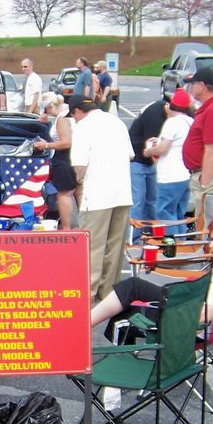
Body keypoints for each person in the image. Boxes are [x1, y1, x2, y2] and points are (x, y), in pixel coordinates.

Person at [90, 213, 213, 330]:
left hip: (183, 317)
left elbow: (205, 316)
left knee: (132, 290)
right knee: (133, 289)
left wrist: (180, 305)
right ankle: (85, 326)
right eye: (210, 239)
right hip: (188, 303)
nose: (211, 245)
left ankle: (82, 328)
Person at [71, 98, 134, 301]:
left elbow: (80, 165)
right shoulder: (117, 122)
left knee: (92, 246)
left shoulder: (83, 127)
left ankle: (88, 294)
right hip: (122, 192)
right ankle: (109, 293)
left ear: (78, 111)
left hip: (97, 194)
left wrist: (80, 179)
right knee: (115, 247)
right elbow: (130, 155)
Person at [182, 67, 213, 223]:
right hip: (205, 173)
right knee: (203, 223)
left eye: (193, 83)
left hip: (210, 176)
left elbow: (211, 151)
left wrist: (205, 185)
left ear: (202, 85)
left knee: (207, 225)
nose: (191, 87)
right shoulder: (209, 108)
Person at [148, 89, 195, 233]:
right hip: (185, 174)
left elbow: (163, 149)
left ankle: (171, 243)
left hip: (170, 176)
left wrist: (149, 151)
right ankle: (181, 243)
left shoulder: (172, 123)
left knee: (164, 214)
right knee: (178, 215)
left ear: (171, 105)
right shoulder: (190, 122)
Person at [32, 92, 77, 230]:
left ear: (50, 106)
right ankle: (85, 226)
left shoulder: (61, 118)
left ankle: (66, 228)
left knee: (64, 194)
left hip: (64, 158)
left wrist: (45, 145)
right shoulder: (70, 112)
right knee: (79, 192)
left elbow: (66, 142)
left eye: (46, 110)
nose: (47, 113)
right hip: (77, 156)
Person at [128, 98, 167, 223]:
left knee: (152, 199)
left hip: (149, 161)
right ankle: (135, 232)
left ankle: (150, 229)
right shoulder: (155, 116)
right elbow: (151, 146)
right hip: (137, 159)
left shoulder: (161, 111)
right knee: (138, 200)